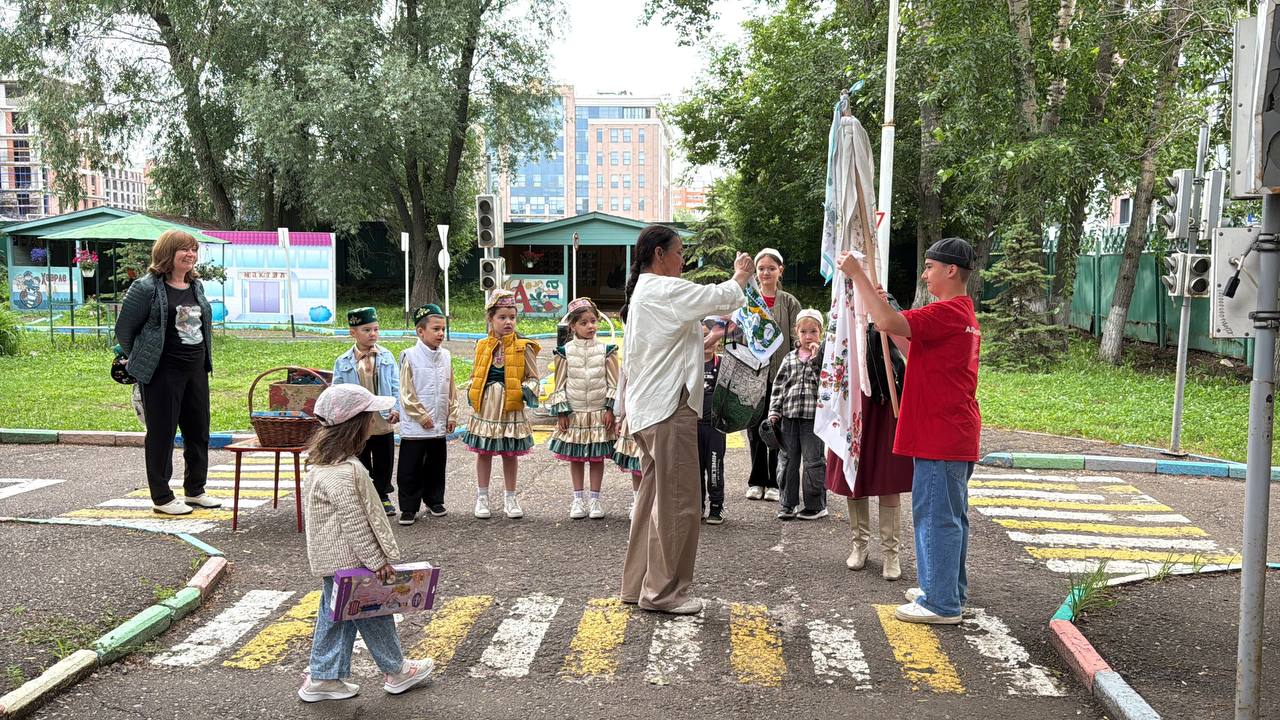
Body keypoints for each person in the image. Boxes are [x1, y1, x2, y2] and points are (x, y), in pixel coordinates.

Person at [836, 237, 982, 625]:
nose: (925, 274)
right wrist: (878, 300)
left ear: (951, 270)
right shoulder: (960, 312)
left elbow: (887, 323)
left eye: (930, 267)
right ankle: (947, 591)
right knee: (949, 517)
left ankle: (941, 603)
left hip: (939, 435)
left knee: (936, 518)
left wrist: (858, 275)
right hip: (950, 433)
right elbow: (904, 341)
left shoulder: (947, 311)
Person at [620, 224, 753, 615]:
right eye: (679, 253)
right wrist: (740, 276)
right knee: (679, 503)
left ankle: (638, 585)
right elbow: (719, 296)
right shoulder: (664, 288)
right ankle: (664, 593)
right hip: (668, 410)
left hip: (649, 410)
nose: (683, 260)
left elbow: (672, 344)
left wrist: (705, 341)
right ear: (659, 255)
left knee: (653, 500)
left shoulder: (645, 292)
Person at [298, 383, 434, 702]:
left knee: (339, 615)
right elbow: (356, 522)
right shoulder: (341, 471)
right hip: (350, 558)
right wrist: (377, 562)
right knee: (372, 612)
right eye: (371, 415)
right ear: (355, 424)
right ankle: (396, 670)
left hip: (335, 559)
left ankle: (324, 676)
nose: (377, 420)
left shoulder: (328, 463)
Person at [114, 229, 221, 516]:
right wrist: (142, 357)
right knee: (162, 433)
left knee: (198, 431)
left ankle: (195, 490)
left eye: (194, 249)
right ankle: (162, 497)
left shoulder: (195, 285)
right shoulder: (146, 287)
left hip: (196, 368)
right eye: (184, 249)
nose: (191, 254)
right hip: (162, 371)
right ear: (167, 253)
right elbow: (124, 330)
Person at [826, 302, 913, 580]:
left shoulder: (883, 299)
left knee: (888, 478)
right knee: (855, 476)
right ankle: (859, 545)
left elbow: (906, 341)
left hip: (884, 401)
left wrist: (883, 309)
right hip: (851, 402)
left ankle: (891, 553)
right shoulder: (842, 306)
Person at [707, 248, 801, 502]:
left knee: (776, 426)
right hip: (751, 372)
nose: (766, 273)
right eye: (761, 269)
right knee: (753, 425)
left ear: (780, 270)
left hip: (780, 375)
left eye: (771, 268)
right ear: (755, 272)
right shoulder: (748, 299)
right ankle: (757, 480)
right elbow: (736, 330)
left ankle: (775, 481)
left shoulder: (789, 302)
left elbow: (796, 336)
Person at [460, 289, 541, 519]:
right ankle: (482, 497)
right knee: (484, 452)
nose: (508, 322)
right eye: (502, 317)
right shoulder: (482, 345)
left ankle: (510, 497)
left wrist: (525, 391)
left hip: (510, 407)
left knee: (510, 452)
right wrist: (473, 389)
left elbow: (534, 378)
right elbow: (475, 374)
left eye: (512, 317)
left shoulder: (524, 347)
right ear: (491, 318)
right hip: (487, 407)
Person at [547, 297, 620, 520]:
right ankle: (578, 499)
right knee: (576, 458)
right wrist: (562, 411)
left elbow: (613, 383)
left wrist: (610, 409)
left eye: (593, 321)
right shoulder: (564, 352)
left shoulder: (606, 350)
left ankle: (595, 499)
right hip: (575, 413)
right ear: (572, 326)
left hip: (599, 413)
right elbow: (559, 383)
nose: (590, 326)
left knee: (597, 458)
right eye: (584, 323)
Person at [332, 307, 401, 516]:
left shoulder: (386, 357)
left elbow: (396, 386)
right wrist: (341, 416)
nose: (373, 334)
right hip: (357, 421)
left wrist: (396, 408)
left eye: (376, 329)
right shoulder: (343, 361)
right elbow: (337, 390)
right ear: (353, 333)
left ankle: (382, 495)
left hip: (381, 419)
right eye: (367, 330)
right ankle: (364, 497)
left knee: (384, 460)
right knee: (360, 459)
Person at [396, 304, 458, 526]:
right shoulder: (410, 356)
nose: (441, 333)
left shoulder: (446, 356)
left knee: (436, 465)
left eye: (443, 329)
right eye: (436, 329)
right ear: (420, 331)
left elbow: (451, 388)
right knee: (410, 468)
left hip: (439, 422)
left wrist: (452, 415)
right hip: (416, 425)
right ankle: (408, 507)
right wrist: (420, 415)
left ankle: (434, 500)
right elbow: (406, 392)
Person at [767, 309, 828, 521]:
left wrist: (817, 359)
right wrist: (774, 411)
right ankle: (787, 503)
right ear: (796, 332)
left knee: (813, 462)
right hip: (789, 418)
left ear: (821, 332)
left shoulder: (824, 359)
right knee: (787, 461)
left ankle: (816, 505)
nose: (808, 336)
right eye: (803, 332)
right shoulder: (789, 358)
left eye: (813, 331)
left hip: (814, 419)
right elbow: (778, 387)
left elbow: (827, 383)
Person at [698, 318, 726, 525]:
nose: (706, 340)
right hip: (693, 425)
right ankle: (697, 505)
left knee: (715, 467)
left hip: (716, 427)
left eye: (709, 335)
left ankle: (716, 506)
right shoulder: (690, 363)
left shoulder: (723, 363)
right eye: (701, 335)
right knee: (694, 469)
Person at [611, 357, 643, 520]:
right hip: (633, 415)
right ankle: (638, 501)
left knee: (655, 462)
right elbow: (622, 389)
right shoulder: (629, 358)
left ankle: (654, 502)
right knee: (635, 460)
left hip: (656, 414)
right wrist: (620, 417)